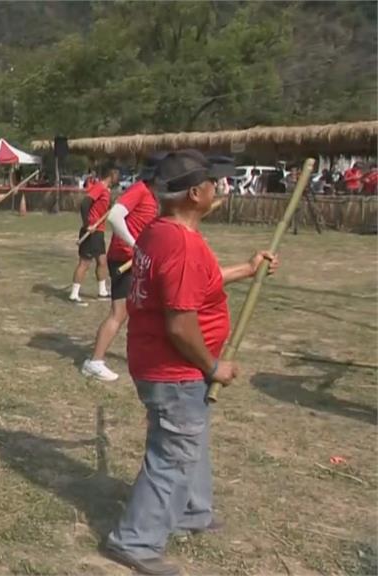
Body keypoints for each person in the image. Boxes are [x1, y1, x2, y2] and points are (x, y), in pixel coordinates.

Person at [103, 150, 279, 576]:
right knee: (174, 452)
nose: (217, 189)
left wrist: (248, 269)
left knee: (188, 442)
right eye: (212, 183)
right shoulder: (180, 243)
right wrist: (212, 366)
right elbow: (181, 325)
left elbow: (201, 278)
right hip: (175, 369)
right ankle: (136, 541)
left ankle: (192, 511)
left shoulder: (159, 232)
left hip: (162, 366)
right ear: (195, 193)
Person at [81, 155, 161, 382]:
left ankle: (146, 356)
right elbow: (115, 216)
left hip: (138, 260)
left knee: (145, 310)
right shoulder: (140, 190)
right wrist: (135, 245)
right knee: (119, 313)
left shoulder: (153, 197)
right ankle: (94, 362)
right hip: (124, 259)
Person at [70, 166, 118, 303]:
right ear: (111, 174)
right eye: (117, 175)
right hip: (91, 231)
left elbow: (101, 209)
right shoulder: (100, 187)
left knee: (102, 261)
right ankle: (74, 294)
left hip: (99, 232)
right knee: (85, 263)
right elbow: (85, 204)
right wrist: (87, 224)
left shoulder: (106, 191)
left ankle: (102, 291)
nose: (118, 178)